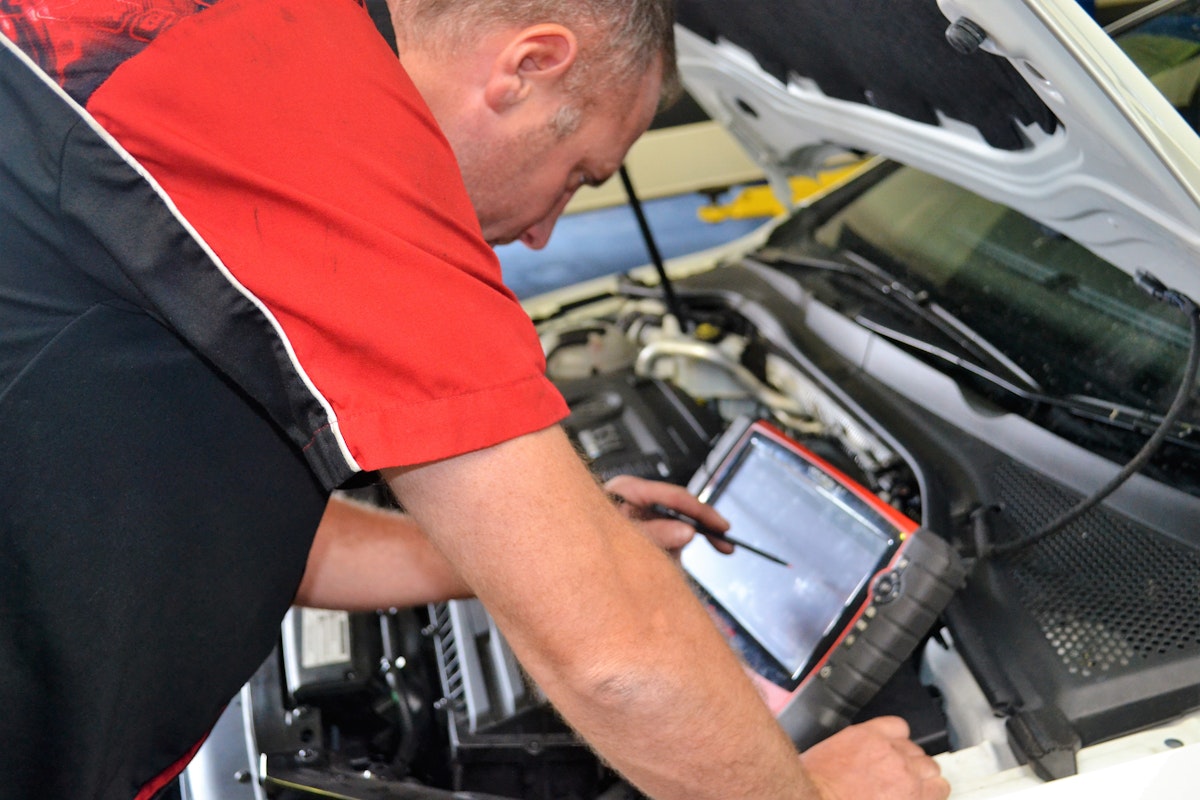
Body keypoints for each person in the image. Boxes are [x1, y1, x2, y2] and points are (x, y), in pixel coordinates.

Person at [0, 1, 950, 798]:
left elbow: (249, 520)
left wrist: (485, 557)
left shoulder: (239, 48)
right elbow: (616, 660)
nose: (544, 234)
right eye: (578, 174)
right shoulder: (308, 115)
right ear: (527, 67)